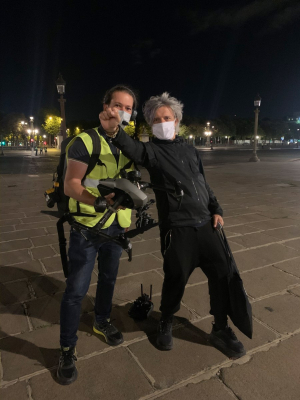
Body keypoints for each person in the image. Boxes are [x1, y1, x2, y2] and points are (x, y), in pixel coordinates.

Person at [100, 92, 246, 359]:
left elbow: (202, 181)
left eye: (167, 118)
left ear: (177, 121)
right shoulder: (153, 151)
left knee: (223, 275)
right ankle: (166, 319)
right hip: (177, 229)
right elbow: (134, 149)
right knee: (176, 278)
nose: (163, 122)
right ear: (151, 125)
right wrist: (115, 132)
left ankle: (221, 327)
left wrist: (216, 208)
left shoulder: (190, 150)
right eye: (156, 119)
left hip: (207, 225)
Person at [57, 85, 137, 385]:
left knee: (108, 279)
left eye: (129, 108)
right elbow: (71, 184)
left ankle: (102, 321)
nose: (123, 112)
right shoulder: (85, 140)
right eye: (118, 105)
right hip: (87, 227)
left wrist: (127, 216)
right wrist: (100, 202)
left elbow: (132, 183)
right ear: (105, 106)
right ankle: (66, 348)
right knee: (76, 290)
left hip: (116, 227)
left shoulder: (128, 143)